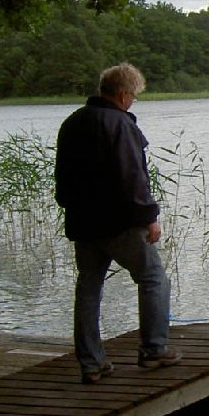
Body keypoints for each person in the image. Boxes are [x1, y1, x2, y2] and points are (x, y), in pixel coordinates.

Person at [55, 62, 182, 384]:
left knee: (88, 289)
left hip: (84, 224)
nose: (133, 102)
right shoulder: (120, 125)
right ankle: (154, 349)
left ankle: (91, 362)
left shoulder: (72, 123)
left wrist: (74, 208)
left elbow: (63, 181)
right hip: (121, 224)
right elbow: (132, 178)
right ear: (124, 94)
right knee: (153, 278)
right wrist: (150, 218)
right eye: (134, 97)